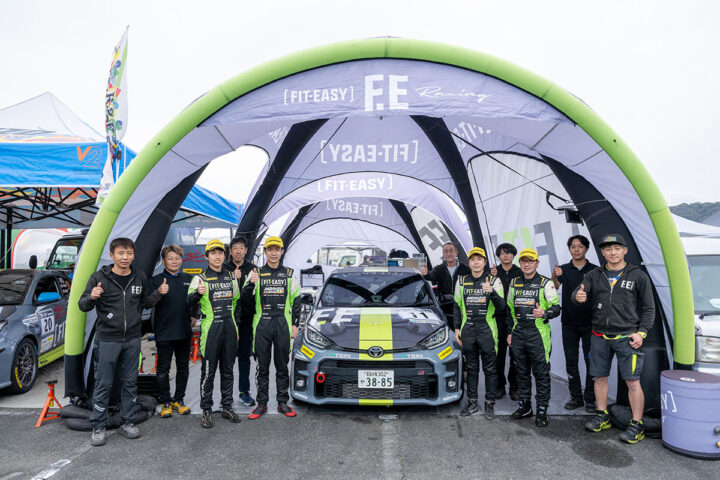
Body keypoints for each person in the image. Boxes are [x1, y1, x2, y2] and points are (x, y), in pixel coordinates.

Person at [78, 237, 163, 447]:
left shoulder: (139, 277)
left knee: (130, 382)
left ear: (133, 255)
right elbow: (82, 305)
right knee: (103, 383)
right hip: (107, 339)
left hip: (133, 339)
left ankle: (127, 422)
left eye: (129, 253)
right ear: (112, 255)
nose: (125, 257)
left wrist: (158, 294)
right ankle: (98, 426)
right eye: (121, 253)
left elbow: (145, 303)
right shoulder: (99, 277)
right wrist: (92, 296)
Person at [574, 233, 655, 444]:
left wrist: (642, 332)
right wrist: (578, 296)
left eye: (617, 248)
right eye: (608, 249)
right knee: (599, 378)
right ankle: (602, 416)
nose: (612, 252)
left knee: (633, 382)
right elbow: (578, 293)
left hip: (627, 336)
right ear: (602, 252)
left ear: (625, 250)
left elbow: (649, 308)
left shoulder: (638, 275)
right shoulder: (594, 274)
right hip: (599, 335)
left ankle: (636, 425)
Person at [243, 236, 301, 419]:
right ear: (265, 252)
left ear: (282, 251)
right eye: (270, 249)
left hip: (283, 324)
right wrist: (250, 283)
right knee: (262, 367)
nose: (274, 253)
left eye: (277, 249)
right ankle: (261, 403)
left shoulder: (290, 273)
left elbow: (296, 300)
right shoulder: (256, 273)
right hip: (262, 324)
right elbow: (244, 300)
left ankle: (282, 402)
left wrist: (295, 324)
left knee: (282, 366)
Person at [188, 239, 242, 428]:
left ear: (224, 256)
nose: (217, 256)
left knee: (228, 370)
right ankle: (206, 410)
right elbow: (188, 302)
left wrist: (236, 327)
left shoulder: (231, 277)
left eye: (220, 253)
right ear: (206, 256)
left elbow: (236, 302)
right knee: (208, 372)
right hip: (211, 329)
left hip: (229, 327)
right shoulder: (200, 278)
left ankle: (227, 406)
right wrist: (197, 293)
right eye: (213, 253)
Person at [507, 248, 560, 427]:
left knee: (541, 374)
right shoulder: (514, 283)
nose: (527, 264)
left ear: (537, 263)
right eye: (523, 261)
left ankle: (542, 410)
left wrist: (544, 313)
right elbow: (509, 309)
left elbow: (556, 308)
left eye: (530, 261)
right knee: (521, 373)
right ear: (520, 263)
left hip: (538, 335)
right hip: (519, 333)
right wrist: (510, 332)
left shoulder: (546, 283)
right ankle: (525, 406)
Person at [453, 247, 505, 419]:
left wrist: (492, 292)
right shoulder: (461, 281)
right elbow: (456, 306)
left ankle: (490, 404)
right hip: (468, 329)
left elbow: (502, 307)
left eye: (479, 259)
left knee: (490, 369)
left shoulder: (494, 280)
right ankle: (472, 403)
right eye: (473, 259)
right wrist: (457, 328)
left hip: (487, 330)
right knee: (472, 369)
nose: (476, 262)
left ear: (484, 262)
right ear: (469, 262)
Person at [551, 235, 598, 413]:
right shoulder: (563, 269)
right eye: (573, 246)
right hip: (569, 323)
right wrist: (554, 275)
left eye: (580, 246)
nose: (576, 249)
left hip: (590, 324)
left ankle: (590, 399)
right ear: (569, 249)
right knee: (571, 361)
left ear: (586, 248)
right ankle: (576, 397)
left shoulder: (595, 270)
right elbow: (554, 287)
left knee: (591, 362)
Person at [151, 245, 195, 418]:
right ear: (163, 262)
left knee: (183, 367)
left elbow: (197, 300)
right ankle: (165, 401)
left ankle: (179, 400)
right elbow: (146, 302)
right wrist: (158, 292)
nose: (174, 261)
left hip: (184, 331)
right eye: (170, 258)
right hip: (164, 332)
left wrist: (195, 315)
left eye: (177, 258)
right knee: (163, 369)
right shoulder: (156, 280)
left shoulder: (189, 279)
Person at [223, 236, 257, 407]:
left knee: (244, 357)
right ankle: (226, 395)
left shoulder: (253, 269)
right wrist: (234, 279)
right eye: (235, 248)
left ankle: (244, 392)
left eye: (241, 248)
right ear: (230, 251)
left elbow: (254, 294)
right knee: (226, 359)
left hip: (246, 320)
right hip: (227, 321)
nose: (238, 251)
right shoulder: (223, 268)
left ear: (246, 250)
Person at [490, 243, 522, 400]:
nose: (506, 255)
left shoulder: (520, 272)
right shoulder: (493, 272)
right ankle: (499, 385)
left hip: (516, 317)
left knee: (516, 354)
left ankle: (514, 387)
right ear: (498, 256)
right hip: (498, 317)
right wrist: (491, 277)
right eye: (502, 253)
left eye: (509, 252)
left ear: (513, 255)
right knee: (498, 354)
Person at [420, 242, 471, 331]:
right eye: (446, 252)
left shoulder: (466, 269)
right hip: (445, 309)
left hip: (462, 310)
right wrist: (426, 273)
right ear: (443, 254)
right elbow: (431, 276)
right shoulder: (439, 269)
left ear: (456, 253)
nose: (448, 254)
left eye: (451, 251)